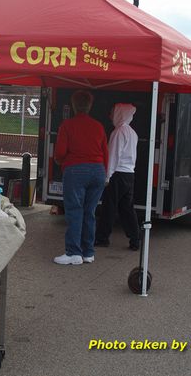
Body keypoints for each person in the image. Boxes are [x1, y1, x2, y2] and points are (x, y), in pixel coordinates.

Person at [53, 90, 108, 265]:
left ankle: (73, 253)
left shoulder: (67, 125)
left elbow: (60, 152)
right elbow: (105, 153)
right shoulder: (98, 126)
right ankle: (88, 252)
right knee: (89, 212)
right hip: (98, 171)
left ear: (74, 105)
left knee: (74, 211)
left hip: (75, 170)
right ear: (90, 106)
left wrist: (60, 161)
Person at [94, 103, 140, 251]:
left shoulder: (118, 132)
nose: (111, 115)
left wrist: (107, 176)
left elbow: (113, 155)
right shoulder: (132, 133)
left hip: (117, 174)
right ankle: (135, 238)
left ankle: (102, 238)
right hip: (129, 174)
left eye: (113, 112)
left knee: (109, 207)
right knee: (127, 208)